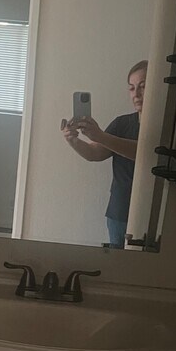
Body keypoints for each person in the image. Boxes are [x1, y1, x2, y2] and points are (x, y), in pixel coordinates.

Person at [62, 60, 147, 248]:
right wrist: (73, 141)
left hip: (151, 212)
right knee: (116, 264)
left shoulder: (167, 124)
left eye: (142, 86)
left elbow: (146, 154)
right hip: (119, 212)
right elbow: (95, 153)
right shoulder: (122, 123)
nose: (136, 94)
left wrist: (100, 136)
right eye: (132, 88)